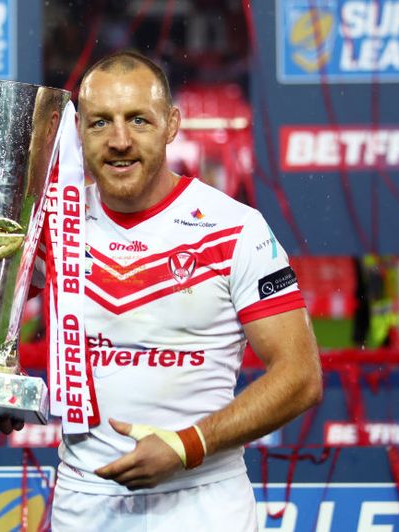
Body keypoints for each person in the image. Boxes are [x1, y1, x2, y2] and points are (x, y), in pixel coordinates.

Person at [45, 51, 323, 530]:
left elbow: (301, 376)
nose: (119, 141)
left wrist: (187, 444)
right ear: (76, 130)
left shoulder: (234, 227)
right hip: (85, 504)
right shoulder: (52, 224)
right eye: (99, 123)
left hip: (204, 502)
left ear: (172, 124)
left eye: (138, 120)